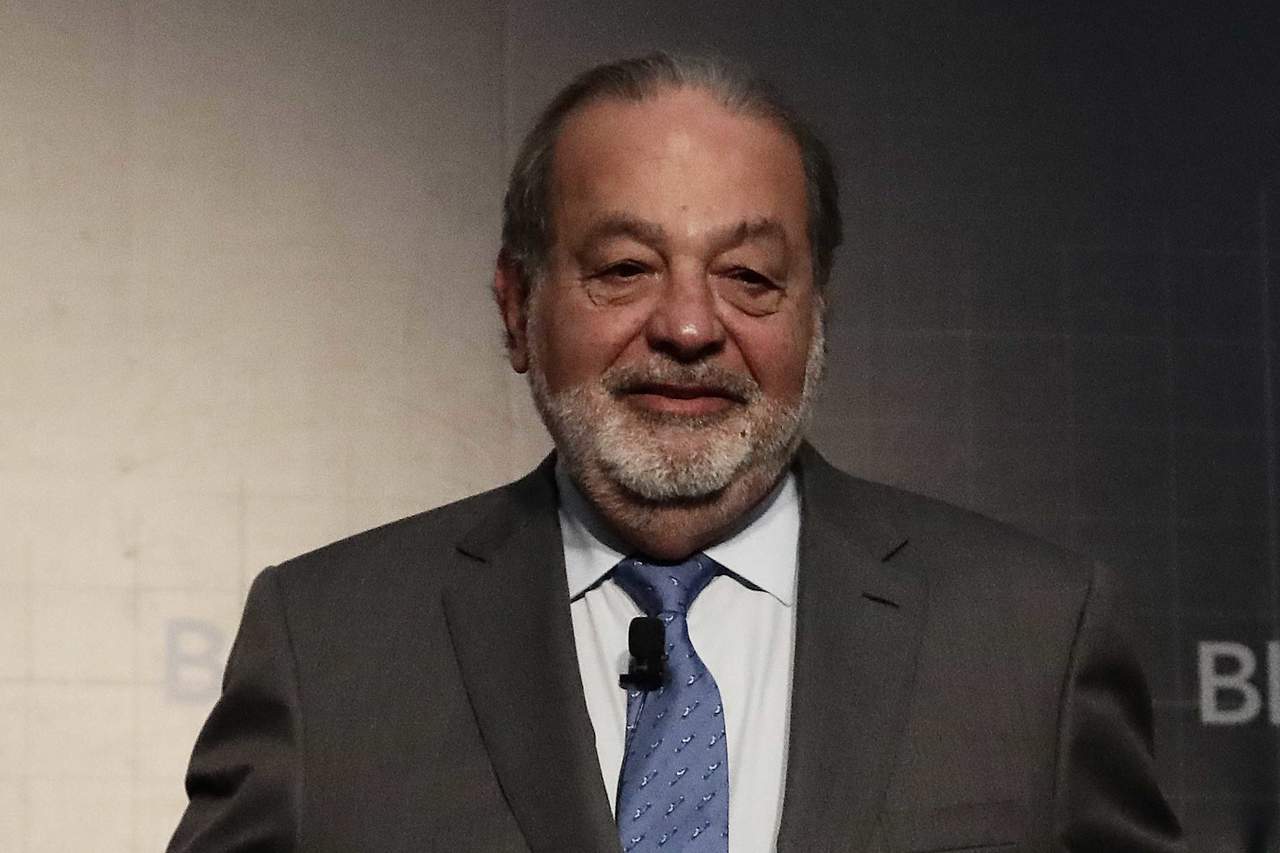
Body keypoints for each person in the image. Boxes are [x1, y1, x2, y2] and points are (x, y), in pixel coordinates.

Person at [168, 53, 1184, 852]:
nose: (690, 326)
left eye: (749, 276)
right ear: (517, 307)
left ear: (816, 319)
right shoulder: (330, 648)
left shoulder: (1031, 638)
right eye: (624, 267)